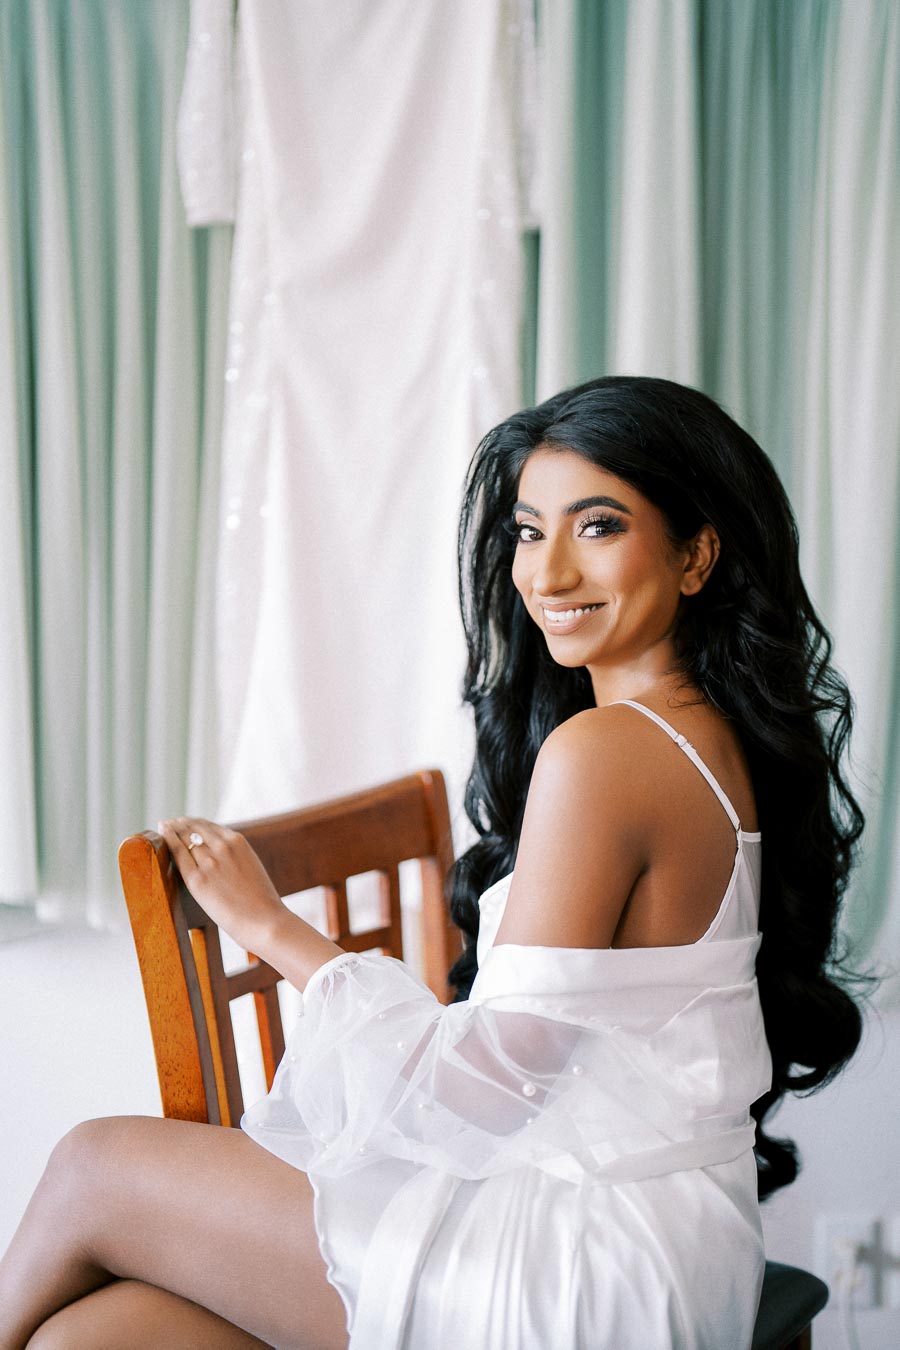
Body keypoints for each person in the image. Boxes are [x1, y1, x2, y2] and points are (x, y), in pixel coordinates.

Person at [0, 376, 865, 1349]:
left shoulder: (610, 753)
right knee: (91, 1337)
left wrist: (273, 929)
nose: (547, 572)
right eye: (529, 532)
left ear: (697, 553)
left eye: (599, 526)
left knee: (90, 1166)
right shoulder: (709, 732)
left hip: (578, 1267)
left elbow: (489, 1091)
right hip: (670, 1239)